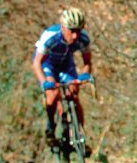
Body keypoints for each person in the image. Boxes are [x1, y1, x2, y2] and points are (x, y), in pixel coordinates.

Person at [32, 8, 93, 151]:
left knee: (74, 93)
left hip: (66, 64)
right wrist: (44, 83)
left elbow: (87, 62)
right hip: (48, 64)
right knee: (52, 95)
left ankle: (79, 135)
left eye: (79, 30)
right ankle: (51, 126)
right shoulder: (50, 36)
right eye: (71, 30)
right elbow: (36, 63)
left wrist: (85, 74)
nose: (75, 35)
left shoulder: (83, 39)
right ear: (63, 27)